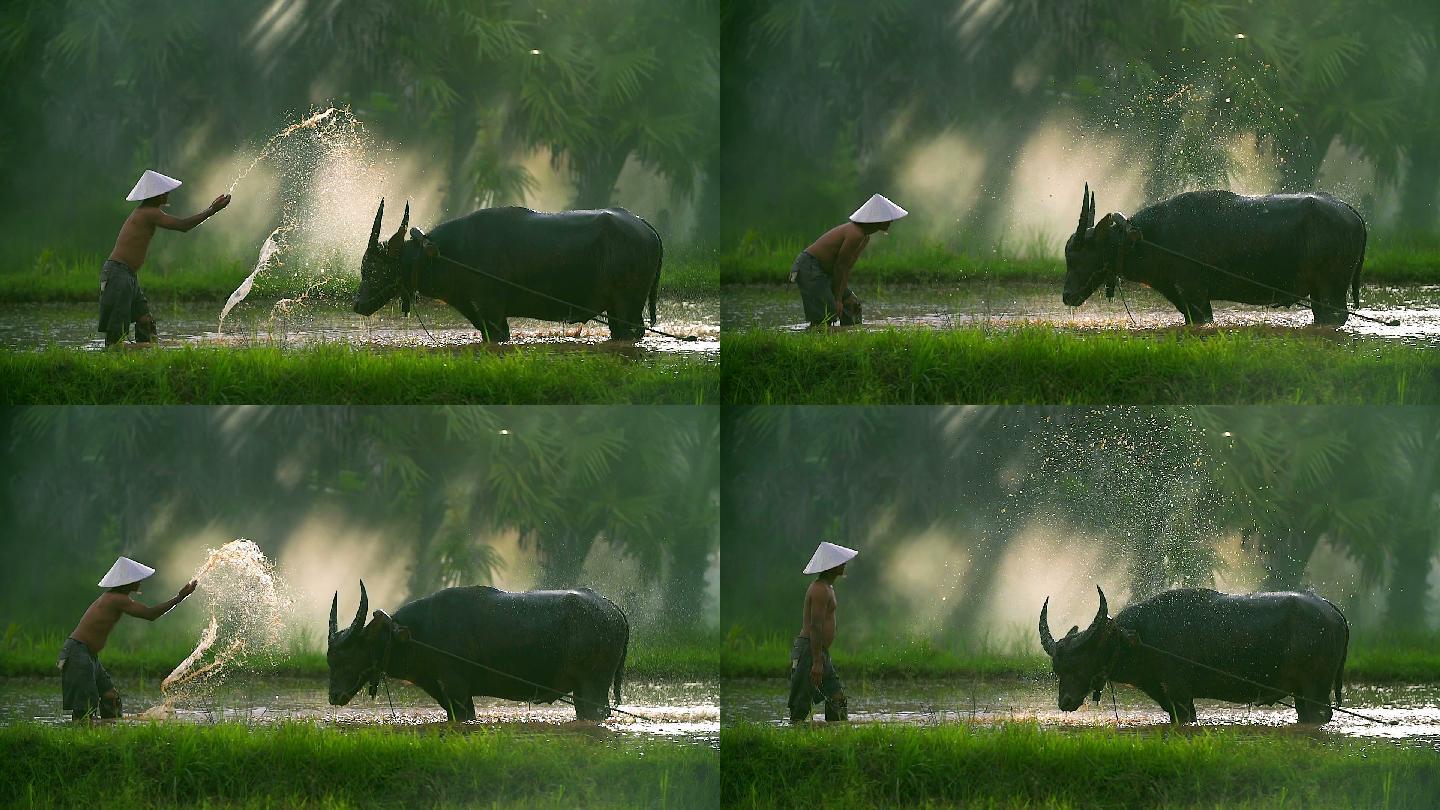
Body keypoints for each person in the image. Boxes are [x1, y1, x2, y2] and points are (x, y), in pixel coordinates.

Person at [100, 170, 232, 346]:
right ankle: (136, 349)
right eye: (164, 191)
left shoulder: (147, 212)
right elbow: (182, 226)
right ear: (155, 195)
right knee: (115, 343)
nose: (168, 194)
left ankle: (146, 352)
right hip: (118, 274)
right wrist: (212, 210)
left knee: (146, 323)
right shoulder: (148, 212)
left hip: (128, 276)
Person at [59, 556, 197, 720]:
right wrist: (179, 597)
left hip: (88, 655)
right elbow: (150, 614)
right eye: (136, 578)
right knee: (85, 706)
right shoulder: (116, 599)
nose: (139, 581)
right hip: (78, 652)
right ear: (127, 582)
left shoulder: (114, 598)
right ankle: (82, 736)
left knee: (111, 697)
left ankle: (107, 730)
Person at [790, 194, 908, 327]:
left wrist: (840, 296)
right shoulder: (855, 234)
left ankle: (848, 336)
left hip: (826, 272)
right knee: (826, 313)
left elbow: (846, 268)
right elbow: (841, 266)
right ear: (878, 220)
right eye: (888, 218)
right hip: (810, 267)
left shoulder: (864, 237)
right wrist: (838, 299)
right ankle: (819, 337)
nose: (890, 221)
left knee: (852, 306)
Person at [789, 541, 857, 723]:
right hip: (810, 651)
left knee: (837, 699)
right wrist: (817, 661)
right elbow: (815, 626)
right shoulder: (819, 589)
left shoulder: (828, 588)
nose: (844, 565)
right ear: (831, 566)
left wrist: (821, 657)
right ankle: (793, 738)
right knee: (800, 706)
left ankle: (836, 735)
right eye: (840, 562)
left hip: (819, 652)